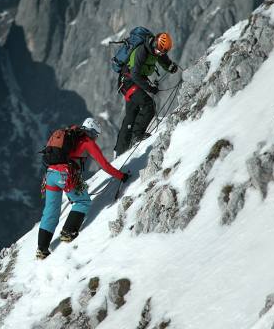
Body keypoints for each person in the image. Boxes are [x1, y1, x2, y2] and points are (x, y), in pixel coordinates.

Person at [37, 118, 129, 260]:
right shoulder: (87, 142)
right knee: (82, 201)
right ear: (92, 132)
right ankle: (68, 232)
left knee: (50, 210)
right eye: (96, 135)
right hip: (65, 174)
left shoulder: (69, 133)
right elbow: (104, 165)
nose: (96, 138)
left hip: (50, 173)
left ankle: (41, 249)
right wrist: (121, 176)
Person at [114, 32, 179, 156]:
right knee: (148, 105)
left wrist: (171, 67)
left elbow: (165, 62)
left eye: (162, 51)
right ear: (155, 43)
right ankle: (137, 135)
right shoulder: (142, 51)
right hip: (128, 82)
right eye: (159, 50)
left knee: (131, 116)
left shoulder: (157, 50)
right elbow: (135, 75)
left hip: (133, 82)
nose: (159, 53)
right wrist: (150, 88)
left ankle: (120, 152)